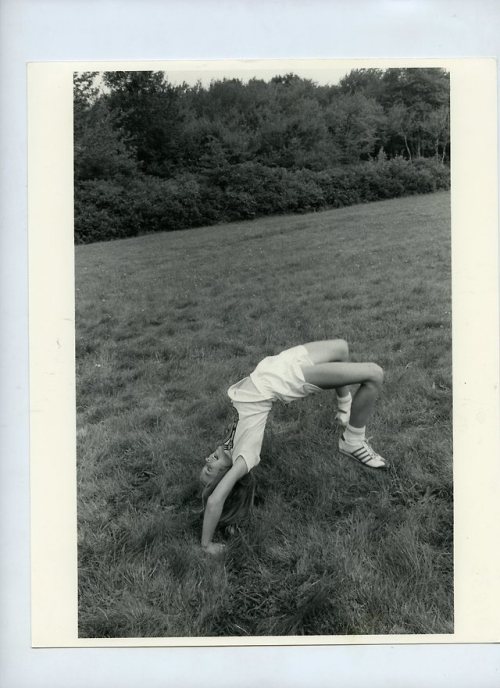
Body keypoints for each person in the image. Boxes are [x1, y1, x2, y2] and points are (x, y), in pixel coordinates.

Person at [199, 339, 387, 555]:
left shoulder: (227, 445)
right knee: (375, 374)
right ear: (226, 475)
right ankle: (352, 441)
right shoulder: (244, 457)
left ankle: (344, 406)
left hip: (272, 368)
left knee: (341, 348)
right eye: (210, 469)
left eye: (206, 465)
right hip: (284, 380)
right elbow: (215, 500)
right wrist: (206, 545)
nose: (207, 460)